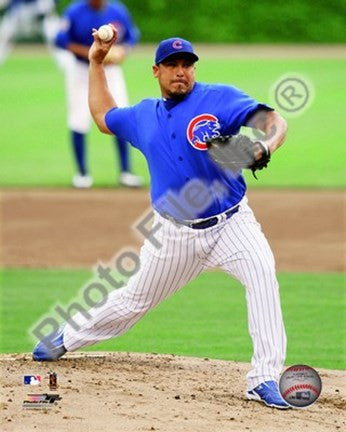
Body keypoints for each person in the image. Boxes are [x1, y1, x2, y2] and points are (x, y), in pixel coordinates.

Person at [33, 29, 290, 409]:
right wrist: (96, 61)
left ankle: (264, 377)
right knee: (133, 301)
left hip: (234, 224)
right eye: (172, 65)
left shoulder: (219, 98)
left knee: (263, 274)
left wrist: (264, 144)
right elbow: (103, 117)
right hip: (175, 236)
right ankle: (66, 336)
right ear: (156, 71)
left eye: (187, 64)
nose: (181, 71)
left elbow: (273, 121)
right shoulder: (144, 117)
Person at [54, 0, 143, 188]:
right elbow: (60, 40)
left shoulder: (117, 10)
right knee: (78, 119)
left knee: (120, 114)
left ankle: (126, 172)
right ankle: (82, 174)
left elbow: (132, 35)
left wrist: (123, 52)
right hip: (80, 70)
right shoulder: (75, 11)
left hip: (111, 71)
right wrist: (92, 54)